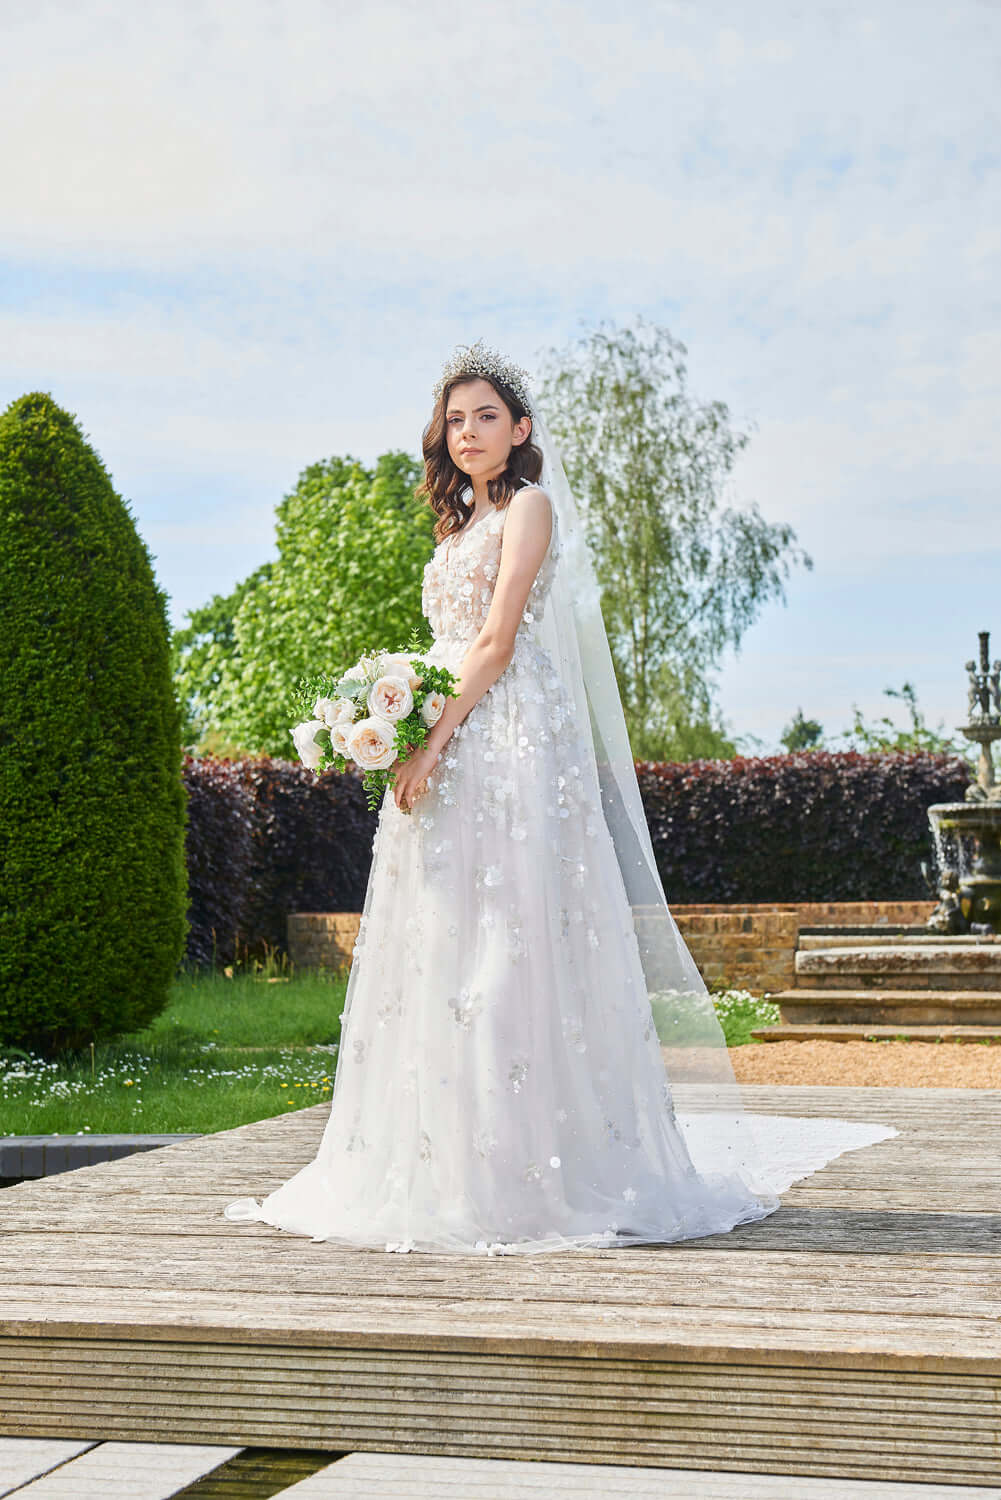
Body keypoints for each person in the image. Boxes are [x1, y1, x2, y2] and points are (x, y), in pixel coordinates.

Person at [224, 341, 896, 1254]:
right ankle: (440, 1157)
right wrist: (400, 717)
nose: (468, 432)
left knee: (516, 926)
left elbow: (496, 641)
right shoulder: (453, 527)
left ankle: (534, 1169)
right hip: (456, 729)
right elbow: (450, 644)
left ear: (520, 429)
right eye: (455, 420)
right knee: (447, 930)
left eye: (485, 417)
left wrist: (426, 742)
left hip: (507, 736)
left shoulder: (527, 508)